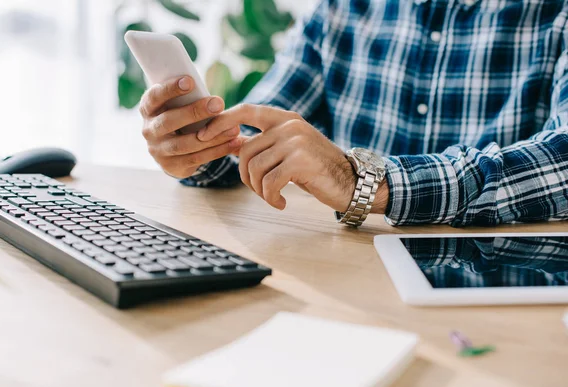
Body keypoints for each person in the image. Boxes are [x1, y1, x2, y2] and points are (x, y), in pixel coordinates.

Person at [139, 0, 568, 227]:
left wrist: (359, 181)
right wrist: (199, 144)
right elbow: (259, 126)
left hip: (490, 294)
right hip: (347, 272)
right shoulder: (340, 8)